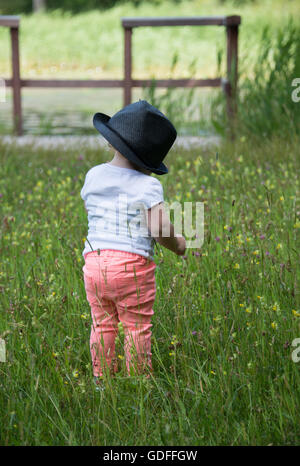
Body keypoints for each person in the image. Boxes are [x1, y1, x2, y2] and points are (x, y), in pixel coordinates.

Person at [80, 100, 186, 390]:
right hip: (131, 267)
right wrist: (178, 245)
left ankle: (102, 380)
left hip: (94, 262)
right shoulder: (147, 186)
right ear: (150, 160)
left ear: (113, 142)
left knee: (102, 323)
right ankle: (137, 384)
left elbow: (92, 211)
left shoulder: (94, 175)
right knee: (136, 327)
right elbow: (159, 228)